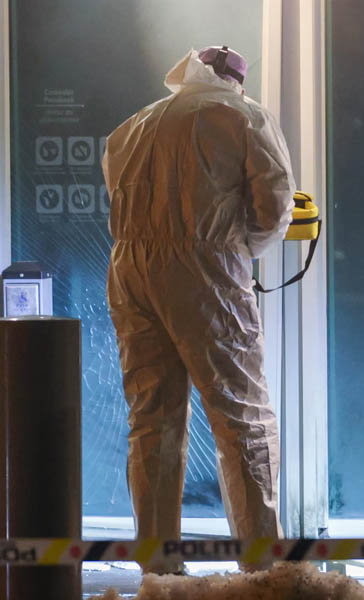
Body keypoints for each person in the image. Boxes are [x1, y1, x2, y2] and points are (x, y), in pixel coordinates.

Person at [103, 46, 295, 574]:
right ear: (236, 81)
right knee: (242, 417)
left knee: (152, 420)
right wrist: (238, 251)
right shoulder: (243, 116)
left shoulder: (134, 126)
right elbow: (275, 207)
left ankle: (158, 570)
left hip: (128, 269)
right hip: (204, 267)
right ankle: (262, 569)